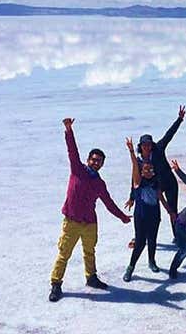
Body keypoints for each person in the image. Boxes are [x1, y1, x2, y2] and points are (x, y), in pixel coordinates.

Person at [49, 118, 131, 302]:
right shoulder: (77, 169)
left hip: (90, 223)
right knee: (64, 254)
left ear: (102, 164)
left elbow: (108, 203)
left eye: (99, 161)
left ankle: (91, 277)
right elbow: (72, 150)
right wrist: (69, 130)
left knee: (90, 251)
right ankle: (56, 284)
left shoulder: (99, 183)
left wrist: (122, 217)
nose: (96, 163)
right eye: (94, 160)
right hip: (71, 221)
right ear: (88, 160)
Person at [122, 138, 174, 282]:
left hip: (154, 215)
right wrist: (131, 151)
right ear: (141, 171)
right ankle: (131, 267)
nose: (149, 171)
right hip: (141, 216)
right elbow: (134, 165)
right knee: (139, 242)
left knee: (153, 240)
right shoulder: (138, 182)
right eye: (146, 169)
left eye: (151, 169)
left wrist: (170, 212)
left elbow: (161, 198)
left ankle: (152, 261)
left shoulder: (156, 181)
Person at [137, 105, 185, 239]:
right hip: (154, 186)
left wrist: (179, 119)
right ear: (140, 146)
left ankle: (178, 236)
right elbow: (135, 177)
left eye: (149, 144)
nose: (147, 146)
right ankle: (143, 235)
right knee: (150, 210)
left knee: (173, 210)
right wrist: (132, 196)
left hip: (169, 183)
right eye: (144, 144)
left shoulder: (158, 148)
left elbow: (169, 135)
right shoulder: (139, 160)